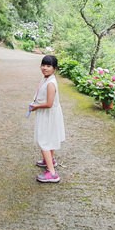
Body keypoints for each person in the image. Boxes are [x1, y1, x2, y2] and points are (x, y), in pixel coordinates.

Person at [29, 55, 66, 183]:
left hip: (48, 114)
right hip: (48, 114)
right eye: (43, 65)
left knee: (44, 141)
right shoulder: (46, 78)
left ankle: (52, 174)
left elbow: (49, 104)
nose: (45, 68)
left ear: (54, 68)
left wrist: (35, 106)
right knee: (49, 138)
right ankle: (49, 160)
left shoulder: (50, 83)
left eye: (48, 66)